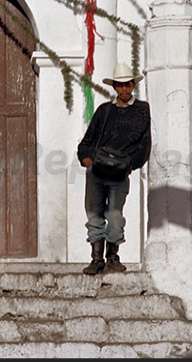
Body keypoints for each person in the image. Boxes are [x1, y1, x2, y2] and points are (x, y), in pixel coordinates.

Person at [77, 62, 151, 275]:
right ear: (115, 87)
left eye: (127, 85)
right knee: (94, 214)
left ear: (133, 85)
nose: (124, 89)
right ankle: (96, 258)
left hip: (120, 172)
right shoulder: (104, 111)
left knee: (115, 215)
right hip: (97, 171)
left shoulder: (142, 110)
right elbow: (87, 141)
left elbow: (144, 145)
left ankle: (113, 257)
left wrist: (130, 164)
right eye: (120, 85)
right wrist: (86, 159)